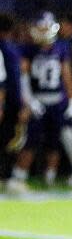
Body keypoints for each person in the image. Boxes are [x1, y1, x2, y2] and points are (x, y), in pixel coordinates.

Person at [7, 12, 72, 192]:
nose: (43, 31)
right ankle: (19, 177)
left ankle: (50, 177)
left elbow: (67, 74)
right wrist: (29, 100)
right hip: (37, 100)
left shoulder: (61, 48)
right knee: (29, 140)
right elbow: (22, 76)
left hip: (56, 100)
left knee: (54, 142)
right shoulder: (28, 49)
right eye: (41, 27)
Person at [0, 14, 23, 187]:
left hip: (8, 103)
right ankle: (6, 176)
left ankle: (6, 176)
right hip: (9, 102)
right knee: (8, 140)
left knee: (8, 139)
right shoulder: (9, 49)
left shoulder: (8, 49)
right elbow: (12, 81)